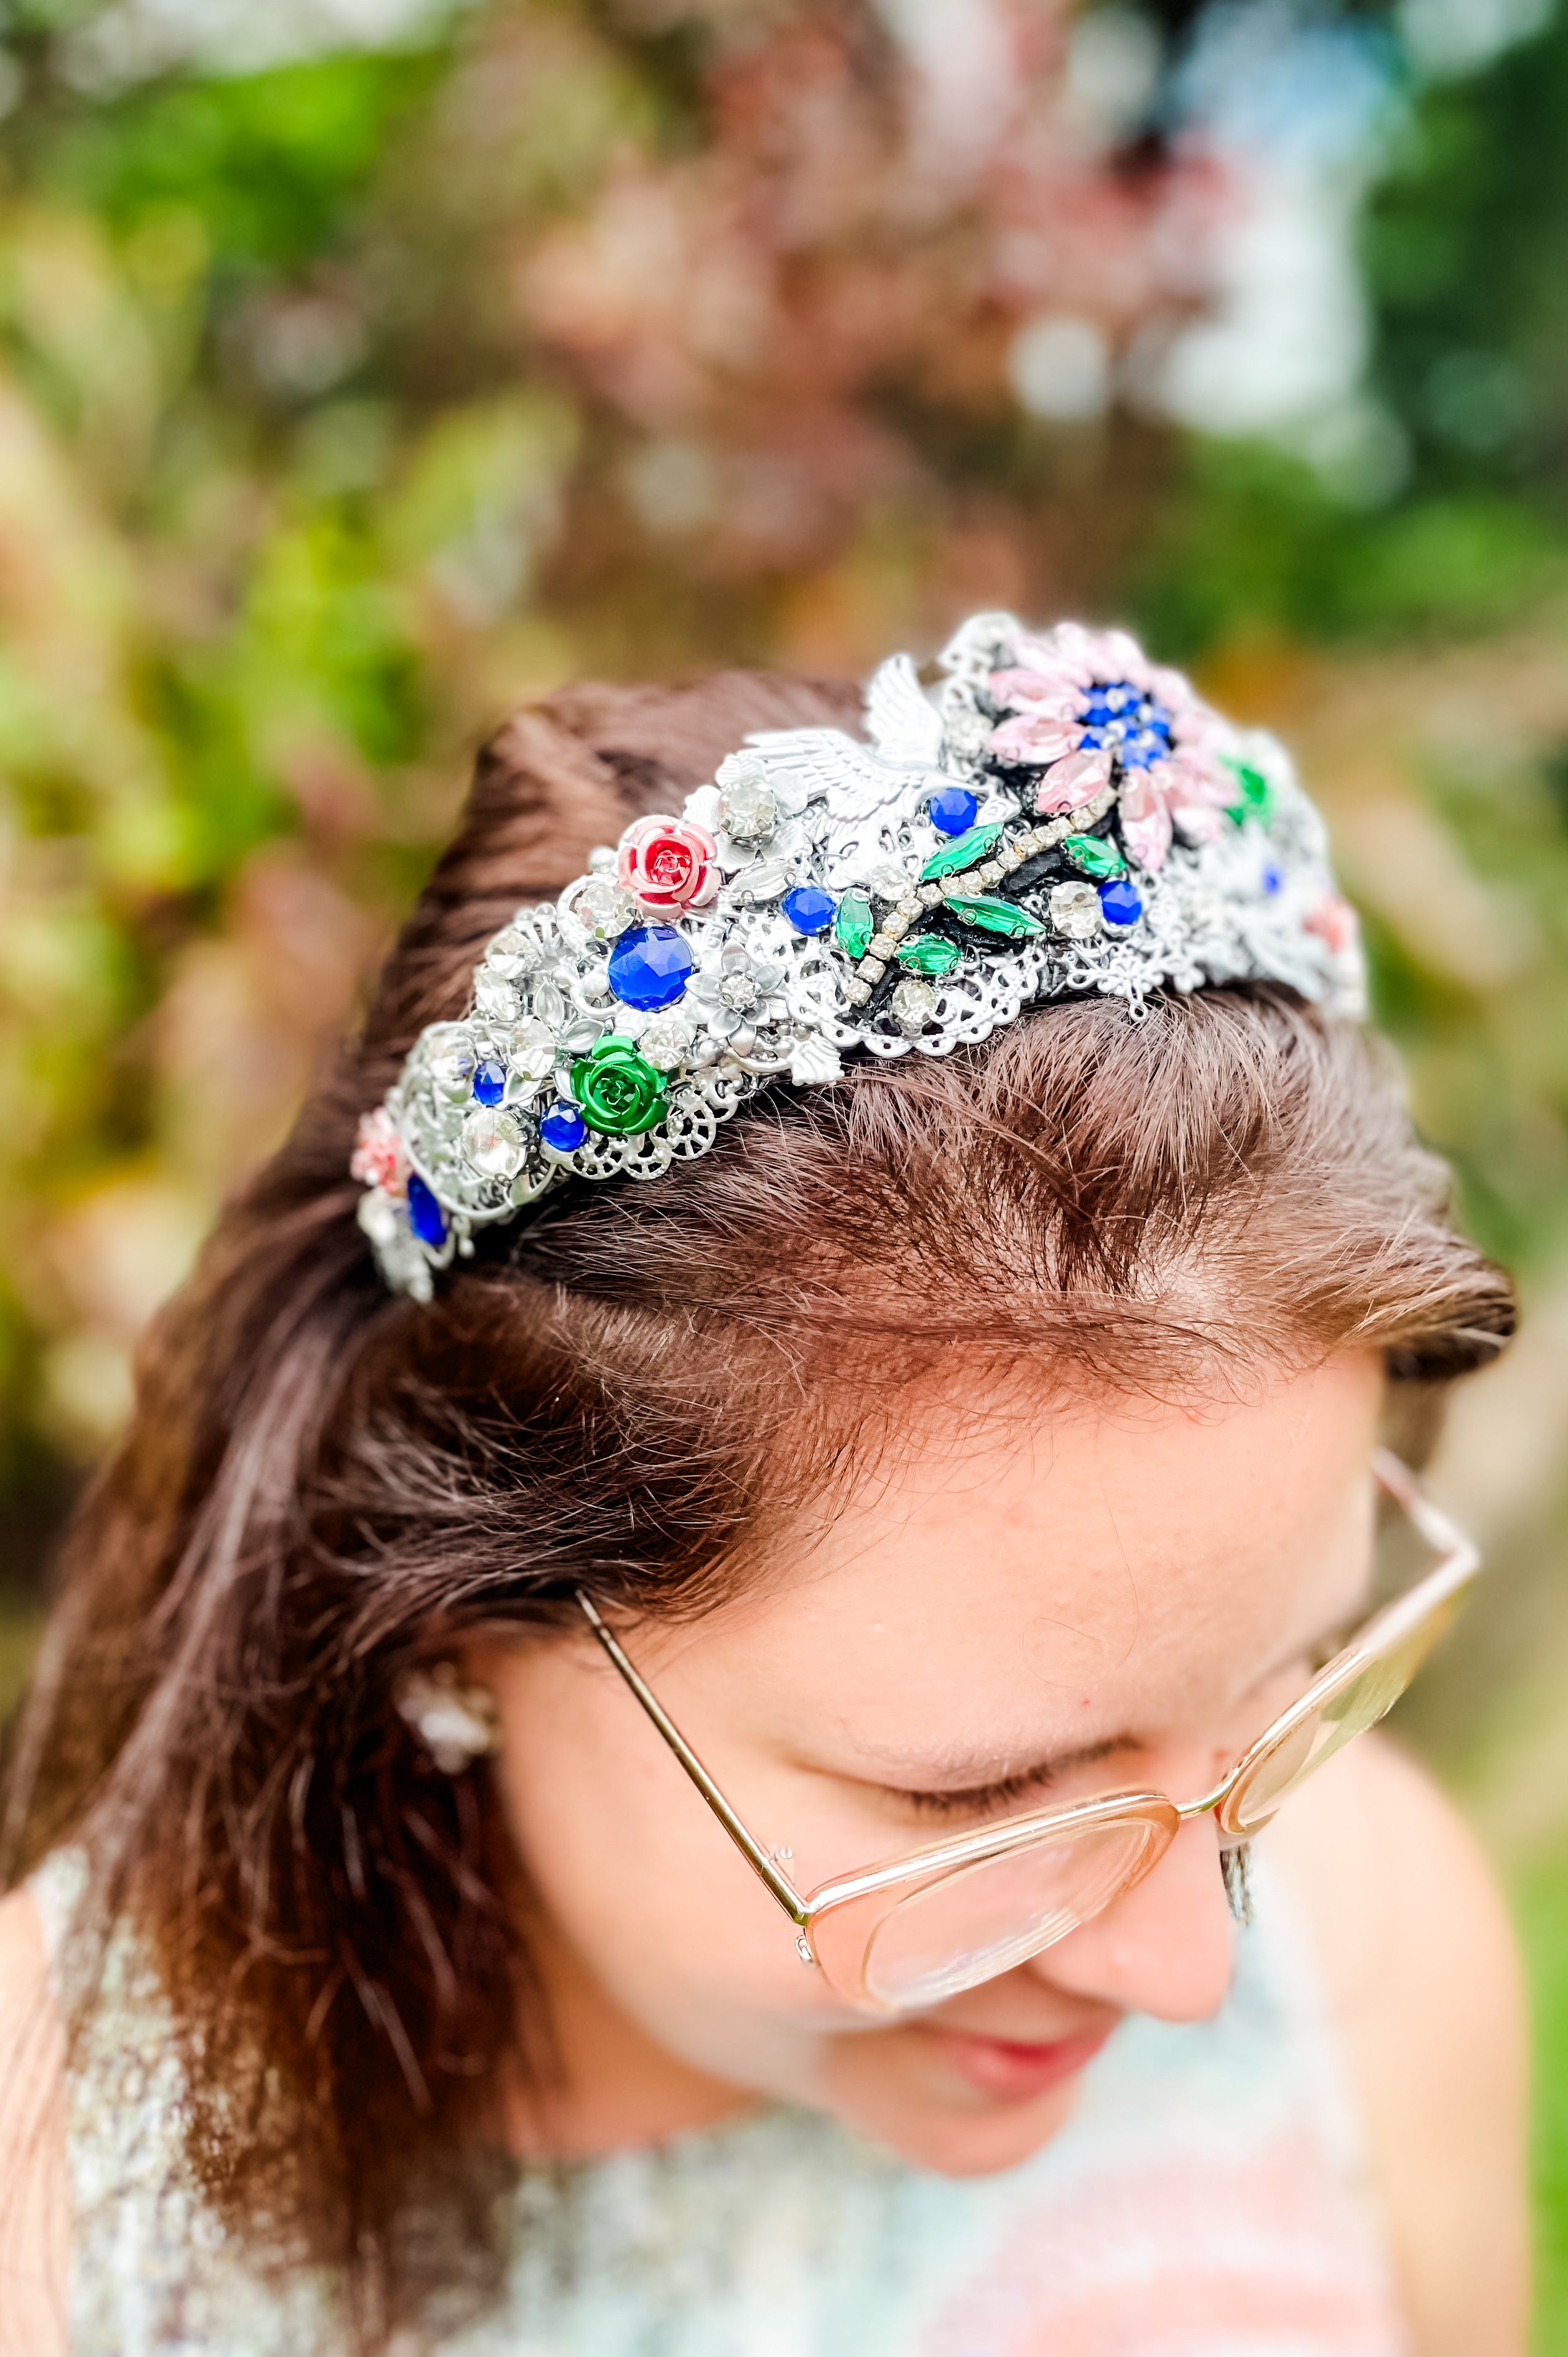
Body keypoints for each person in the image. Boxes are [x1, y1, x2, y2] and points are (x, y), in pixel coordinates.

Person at [0, 617, 1528, 2356]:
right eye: (982, 1796)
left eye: (1284, 1684)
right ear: (447, 1622)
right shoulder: (49, 2232)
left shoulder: (1368, 1935)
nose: (1192, 1970)